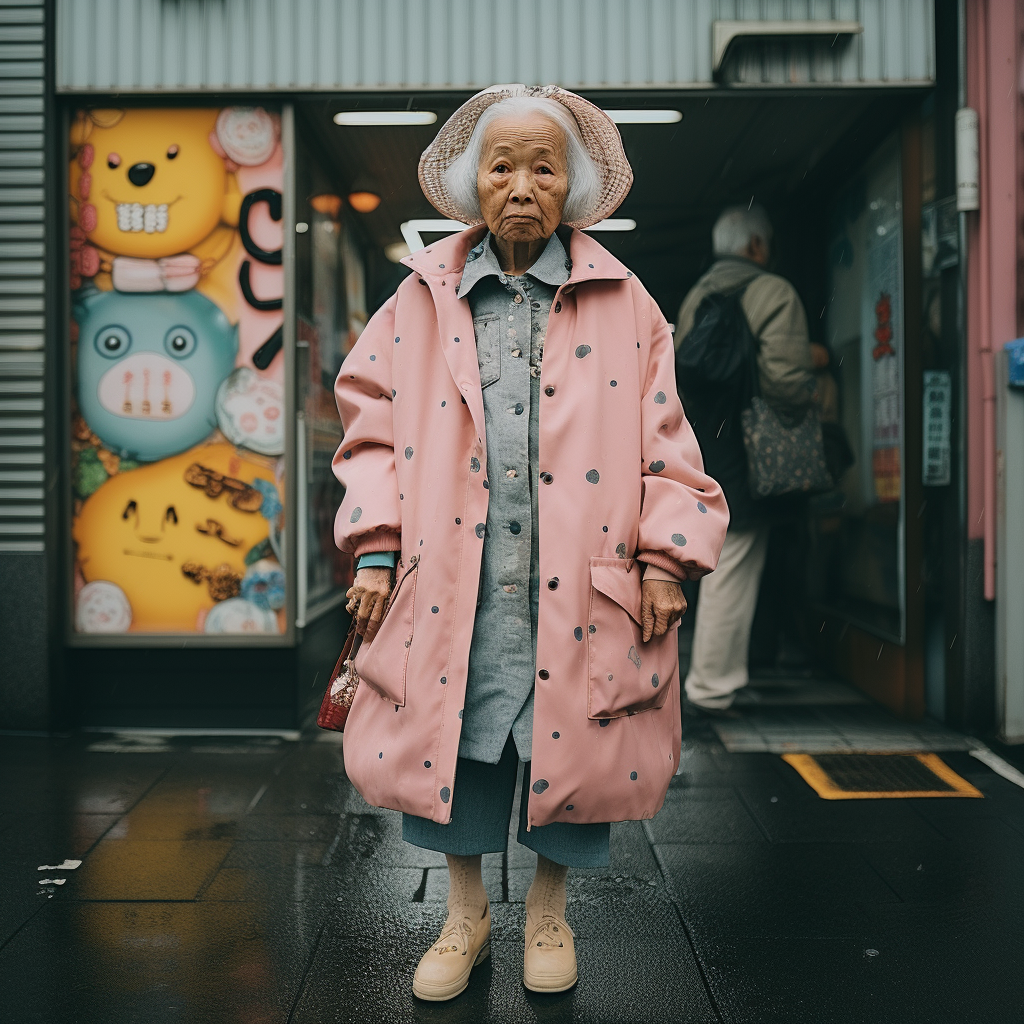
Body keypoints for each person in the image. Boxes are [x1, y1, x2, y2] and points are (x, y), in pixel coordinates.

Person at [333, 84, 728, 1001]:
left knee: (573, 749)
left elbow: (668, 441)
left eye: (542, 168)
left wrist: (667, 556)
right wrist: (378, 547)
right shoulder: (415, 300)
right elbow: (369, 434)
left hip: (575, 576)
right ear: (473, 183)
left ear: (571, 188)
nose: (520, 185)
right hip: (457, 575)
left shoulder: (628, 304)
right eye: (500, 166)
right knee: (459, 738)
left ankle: (549, 913)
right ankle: (463, 917)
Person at [675, 204, 818, 713]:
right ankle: (711, 685)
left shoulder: (696, 297)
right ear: (757, 246)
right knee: (735, 563)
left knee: (722, 557)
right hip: (753, 444)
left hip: (704, 442)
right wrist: (812, 391)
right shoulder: (773, 292)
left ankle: (719, 676)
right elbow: (785, 381)